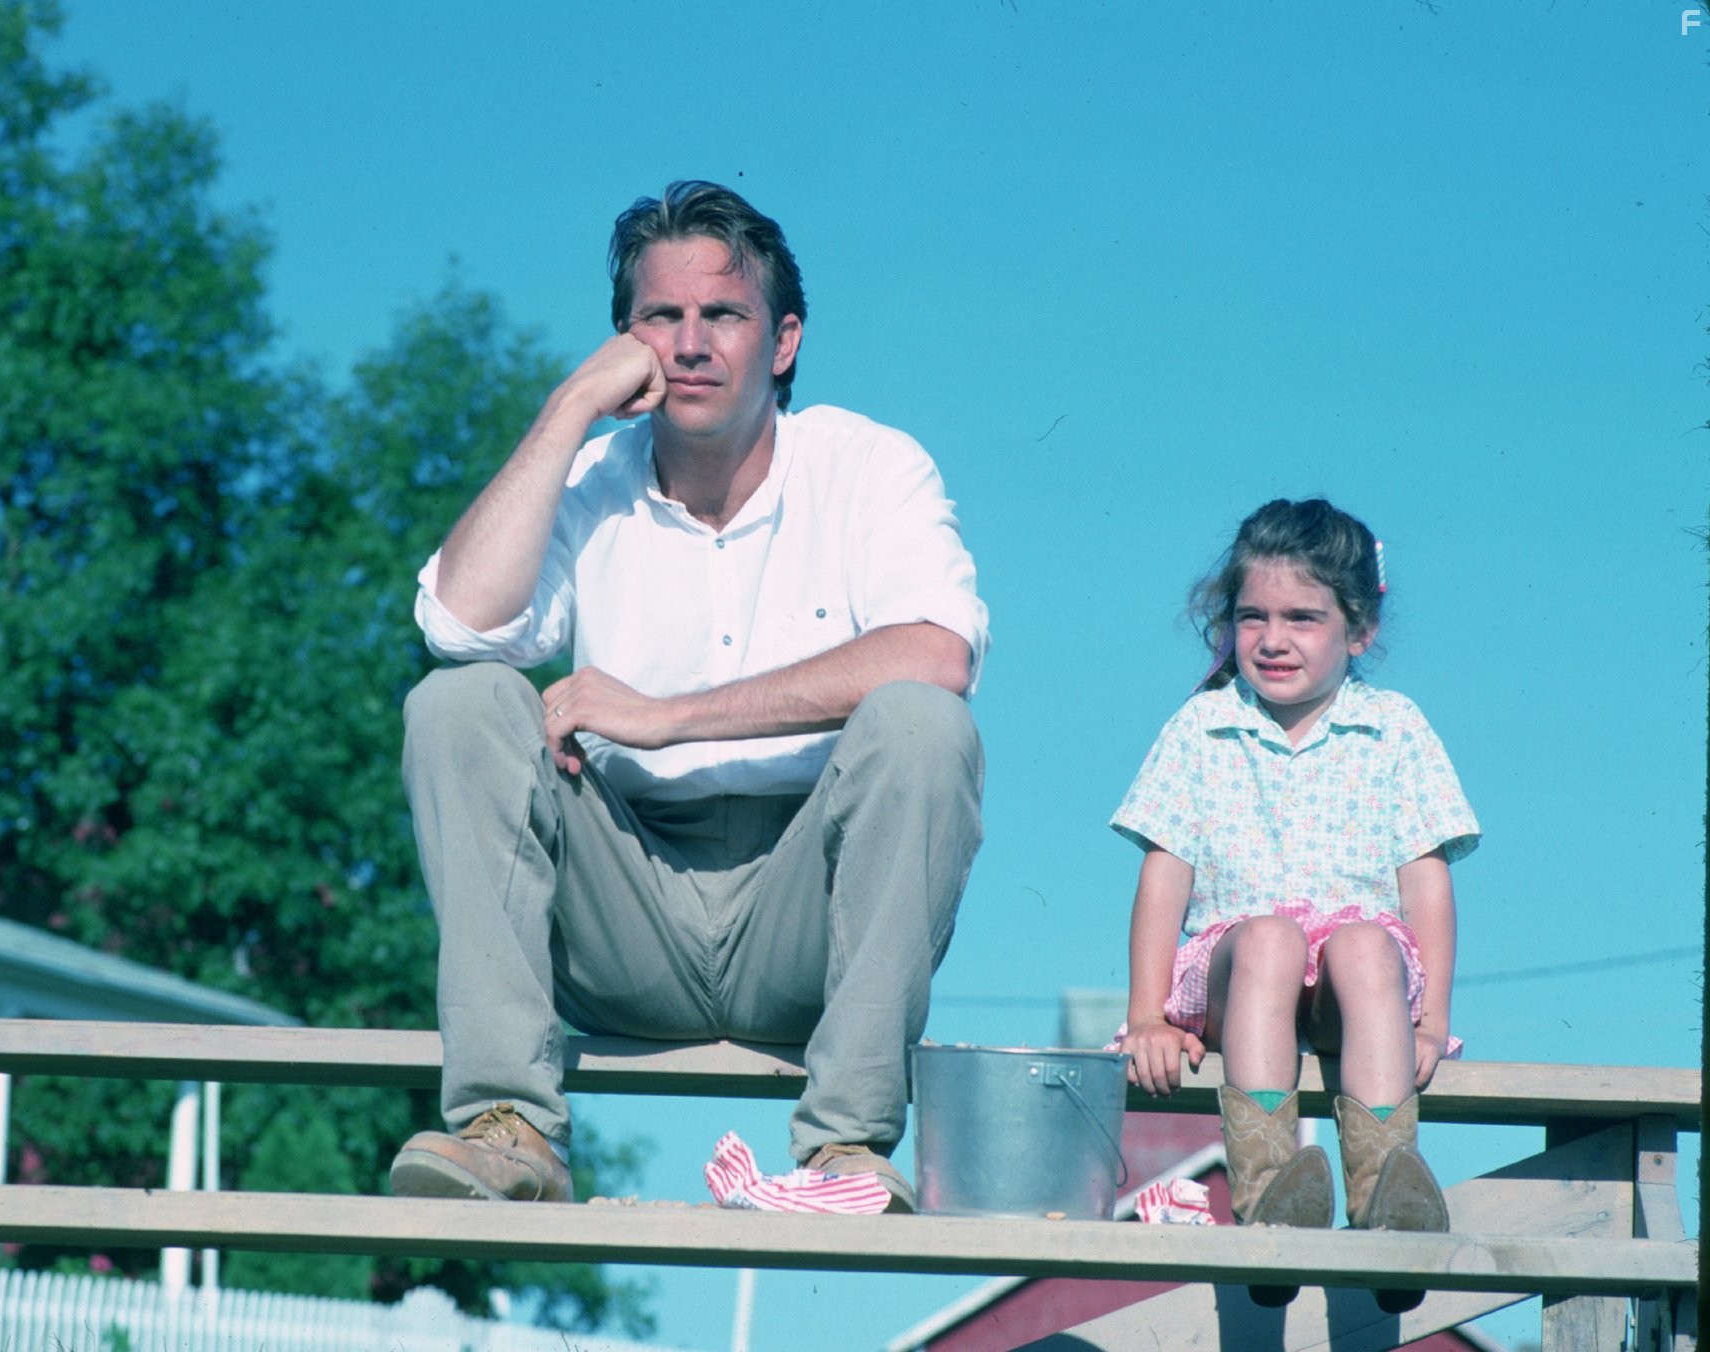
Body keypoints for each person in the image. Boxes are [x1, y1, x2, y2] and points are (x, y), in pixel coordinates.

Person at [388, 181, 988, 1212]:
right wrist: (567, 405)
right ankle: (508, 1126)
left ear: (783, 339)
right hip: (623, 914)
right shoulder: (589, 474)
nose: (691, 343)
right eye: (659, 318)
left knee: (921, 723)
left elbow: (938, 652)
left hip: (807, 917)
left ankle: (844, 1145)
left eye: (722, 313)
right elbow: (454, 625)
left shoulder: (867, 463)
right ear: (627, 340)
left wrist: (667, 715)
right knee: (457, 702)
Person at [1113, 498, 1477, 1311]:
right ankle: (1271, 1201)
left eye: (1303, 618)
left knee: (1362, 943)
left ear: (1360, 630)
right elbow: (1163, 880)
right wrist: (1145, 1014)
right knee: (1274, 938)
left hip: (1359, 996)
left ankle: (1389, 1210)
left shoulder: (1395, 728)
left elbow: (1426, 884)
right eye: (1253, 617)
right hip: (1236, 977)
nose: (1274, 639)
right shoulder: (1202, 729)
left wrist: (1432, 1018)